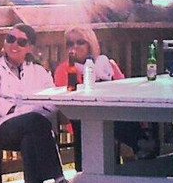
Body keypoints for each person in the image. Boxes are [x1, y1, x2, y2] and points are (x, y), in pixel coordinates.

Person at [0, 24, 79, 183]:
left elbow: (51, 103)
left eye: (21, 42)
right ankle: (59, 180)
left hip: (34, 127)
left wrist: (32, 112)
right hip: (4, 126)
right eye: (10, 39)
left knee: (31, 137)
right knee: (35, 122)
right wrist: (12, 109)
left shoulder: (39, 72)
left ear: (30, 47)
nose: (14, 44)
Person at [52, 25, 155, 159]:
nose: (75, 46)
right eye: (70, 43)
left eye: (80, 42)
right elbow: (65, 98)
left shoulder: (107, 64)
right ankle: (140, 143)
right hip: (81, 115)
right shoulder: (64, 68)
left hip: (113, 110)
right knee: (107, 116)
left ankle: (142, 149)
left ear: (90, 44)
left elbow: (124, 89)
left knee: (118, 112)